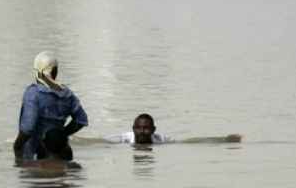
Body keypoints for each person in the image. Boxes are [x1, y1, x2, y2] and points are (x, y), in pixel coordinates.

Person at [14, 51, 88, 161]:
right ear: (55, 71)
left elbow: (28, 128)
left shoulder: (33, 93)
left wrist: (17, 147)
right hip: (60, 150)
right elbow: (81, 120)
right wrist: (61, 135)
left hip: (36, 152)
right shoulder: (67, 94)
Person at [105, 113, 242, 145]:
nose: (142, 132)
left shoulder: (161, 140)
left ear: (153, 130)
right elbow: (99, 142)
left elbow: (191, 142)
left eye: (146, 128)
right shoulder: (123, 139)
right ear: (133, 129)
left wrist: (224, 139)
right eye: (139, 128)